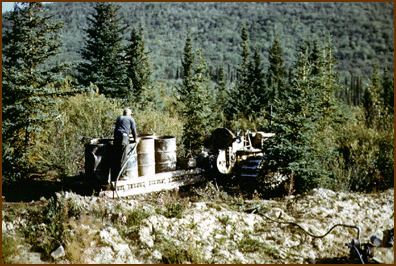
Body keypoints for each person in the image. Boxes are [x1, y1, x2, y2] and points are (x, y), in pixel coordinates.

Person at [113, 108, 138, 180]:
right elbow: (134, 131)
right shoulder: (130, 119)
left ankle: (115, 175)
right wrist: (135, 140)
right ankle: (122, 175)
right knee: (123, 156)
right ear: (129, 114)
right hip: (124, 138)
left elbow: (116, 129)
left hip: (116, 138)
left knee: (117, 156)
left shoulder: (119, 118)